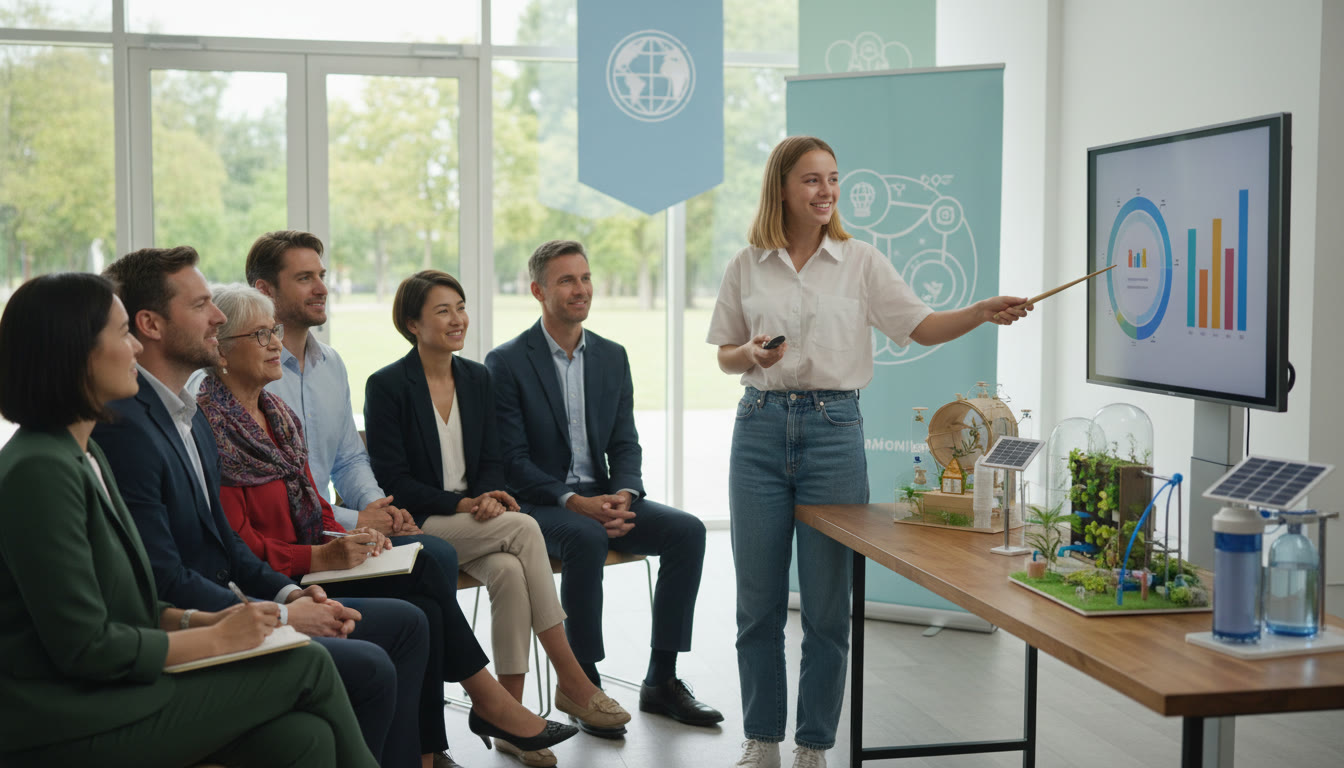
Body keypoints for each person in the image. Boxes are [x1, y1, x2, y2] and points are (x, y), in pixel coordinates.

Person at [706, 135, 1034, 768]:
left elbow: (920, 325)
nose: (826, 191)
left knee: (828, 604)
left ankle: (813, 745)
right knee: (759, 603)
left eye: (832, 179)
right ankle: (763, 739)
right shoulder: (748, 263)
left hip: (834, 433)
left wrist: (980, 311)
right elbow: (725, 352)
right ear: (781, 188)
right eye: (811, 180)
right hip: (758, 430)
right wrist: (752, 355)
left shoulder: (861, 261)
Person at [0, 272, 376, 768]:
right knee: (305, 662)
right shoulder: (39, 470)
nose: (135, 347)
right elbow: (86, 647)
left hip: (106, 691)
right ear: (74, 352)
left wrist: (208, 619)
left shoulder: (83, 454)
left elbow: (124, 602)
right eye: (120, 333)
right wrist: (216, 638)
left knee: (302, 738)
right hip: (63, 717)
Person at [198, 282, 579, 760]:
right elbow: (239, 546)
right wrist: (324, 550)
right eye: (261, 335)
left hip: (318, 553)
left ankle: (433, 746)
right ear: (222, 350)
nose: (276, 343)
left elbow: (313, 502)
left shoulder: (275, 414)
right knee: (434, 566)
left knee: (432, 589)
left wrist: (352, 530)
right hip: (286, 578)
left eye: (274, 331)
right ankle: (494, 701)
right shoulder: (212, 426)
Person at [91, 246, 436, 767]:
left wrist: (293, 594)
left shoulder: (187, 415)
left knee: (410, 621)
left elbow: (222, 541)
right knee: (369, 664)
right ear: (151, 325)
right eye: (202, 305)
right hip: (201, 622)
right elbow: (165, 576)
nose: (215, 317)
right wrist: (281, 610)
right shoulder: (135, 429)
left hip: (242, 595)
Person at [366, 270, 632, 763]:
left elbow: (494, 460)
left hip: (476, 520)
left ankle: (508, 716)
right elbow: (395, 479)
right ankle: (571, 678)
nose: (457, 319)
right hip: (422, 524)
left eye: (461, 307)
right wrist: (464, 504)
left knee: (510, 570)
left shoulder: (477, 377)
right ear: (412, 324)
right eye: (442, 310)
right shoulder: (387, 386)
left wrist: (489, 494)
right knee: (526, 526)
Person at [486, 240, 723, 730]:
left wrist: (625, 493)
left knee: (688, 531)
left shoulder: (612, 357)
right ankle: (584, 683)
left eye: (586, 278)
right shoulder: (506, 362)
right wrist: (574, 500)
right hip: (541, 505)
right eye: (567, 280)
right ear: (538, 290)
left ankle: (662, 678)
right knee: (585, 535)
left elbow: (626, 442)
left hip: (603, 497)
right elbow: (512, 461)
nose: (581, 289)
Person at [246, 229, 418, 537]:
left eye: (321, 276)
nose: (322, 288)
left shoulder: (332, 364)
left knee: (428, 555)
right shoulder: (248, 371)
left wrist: (378, 508)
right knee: (432, 560)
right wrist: (358, 521)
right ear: (264, 291)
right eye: (304, 278)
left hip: (332, 528)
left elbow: (348, 459)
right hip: (282, 535)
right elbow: (271, 491)